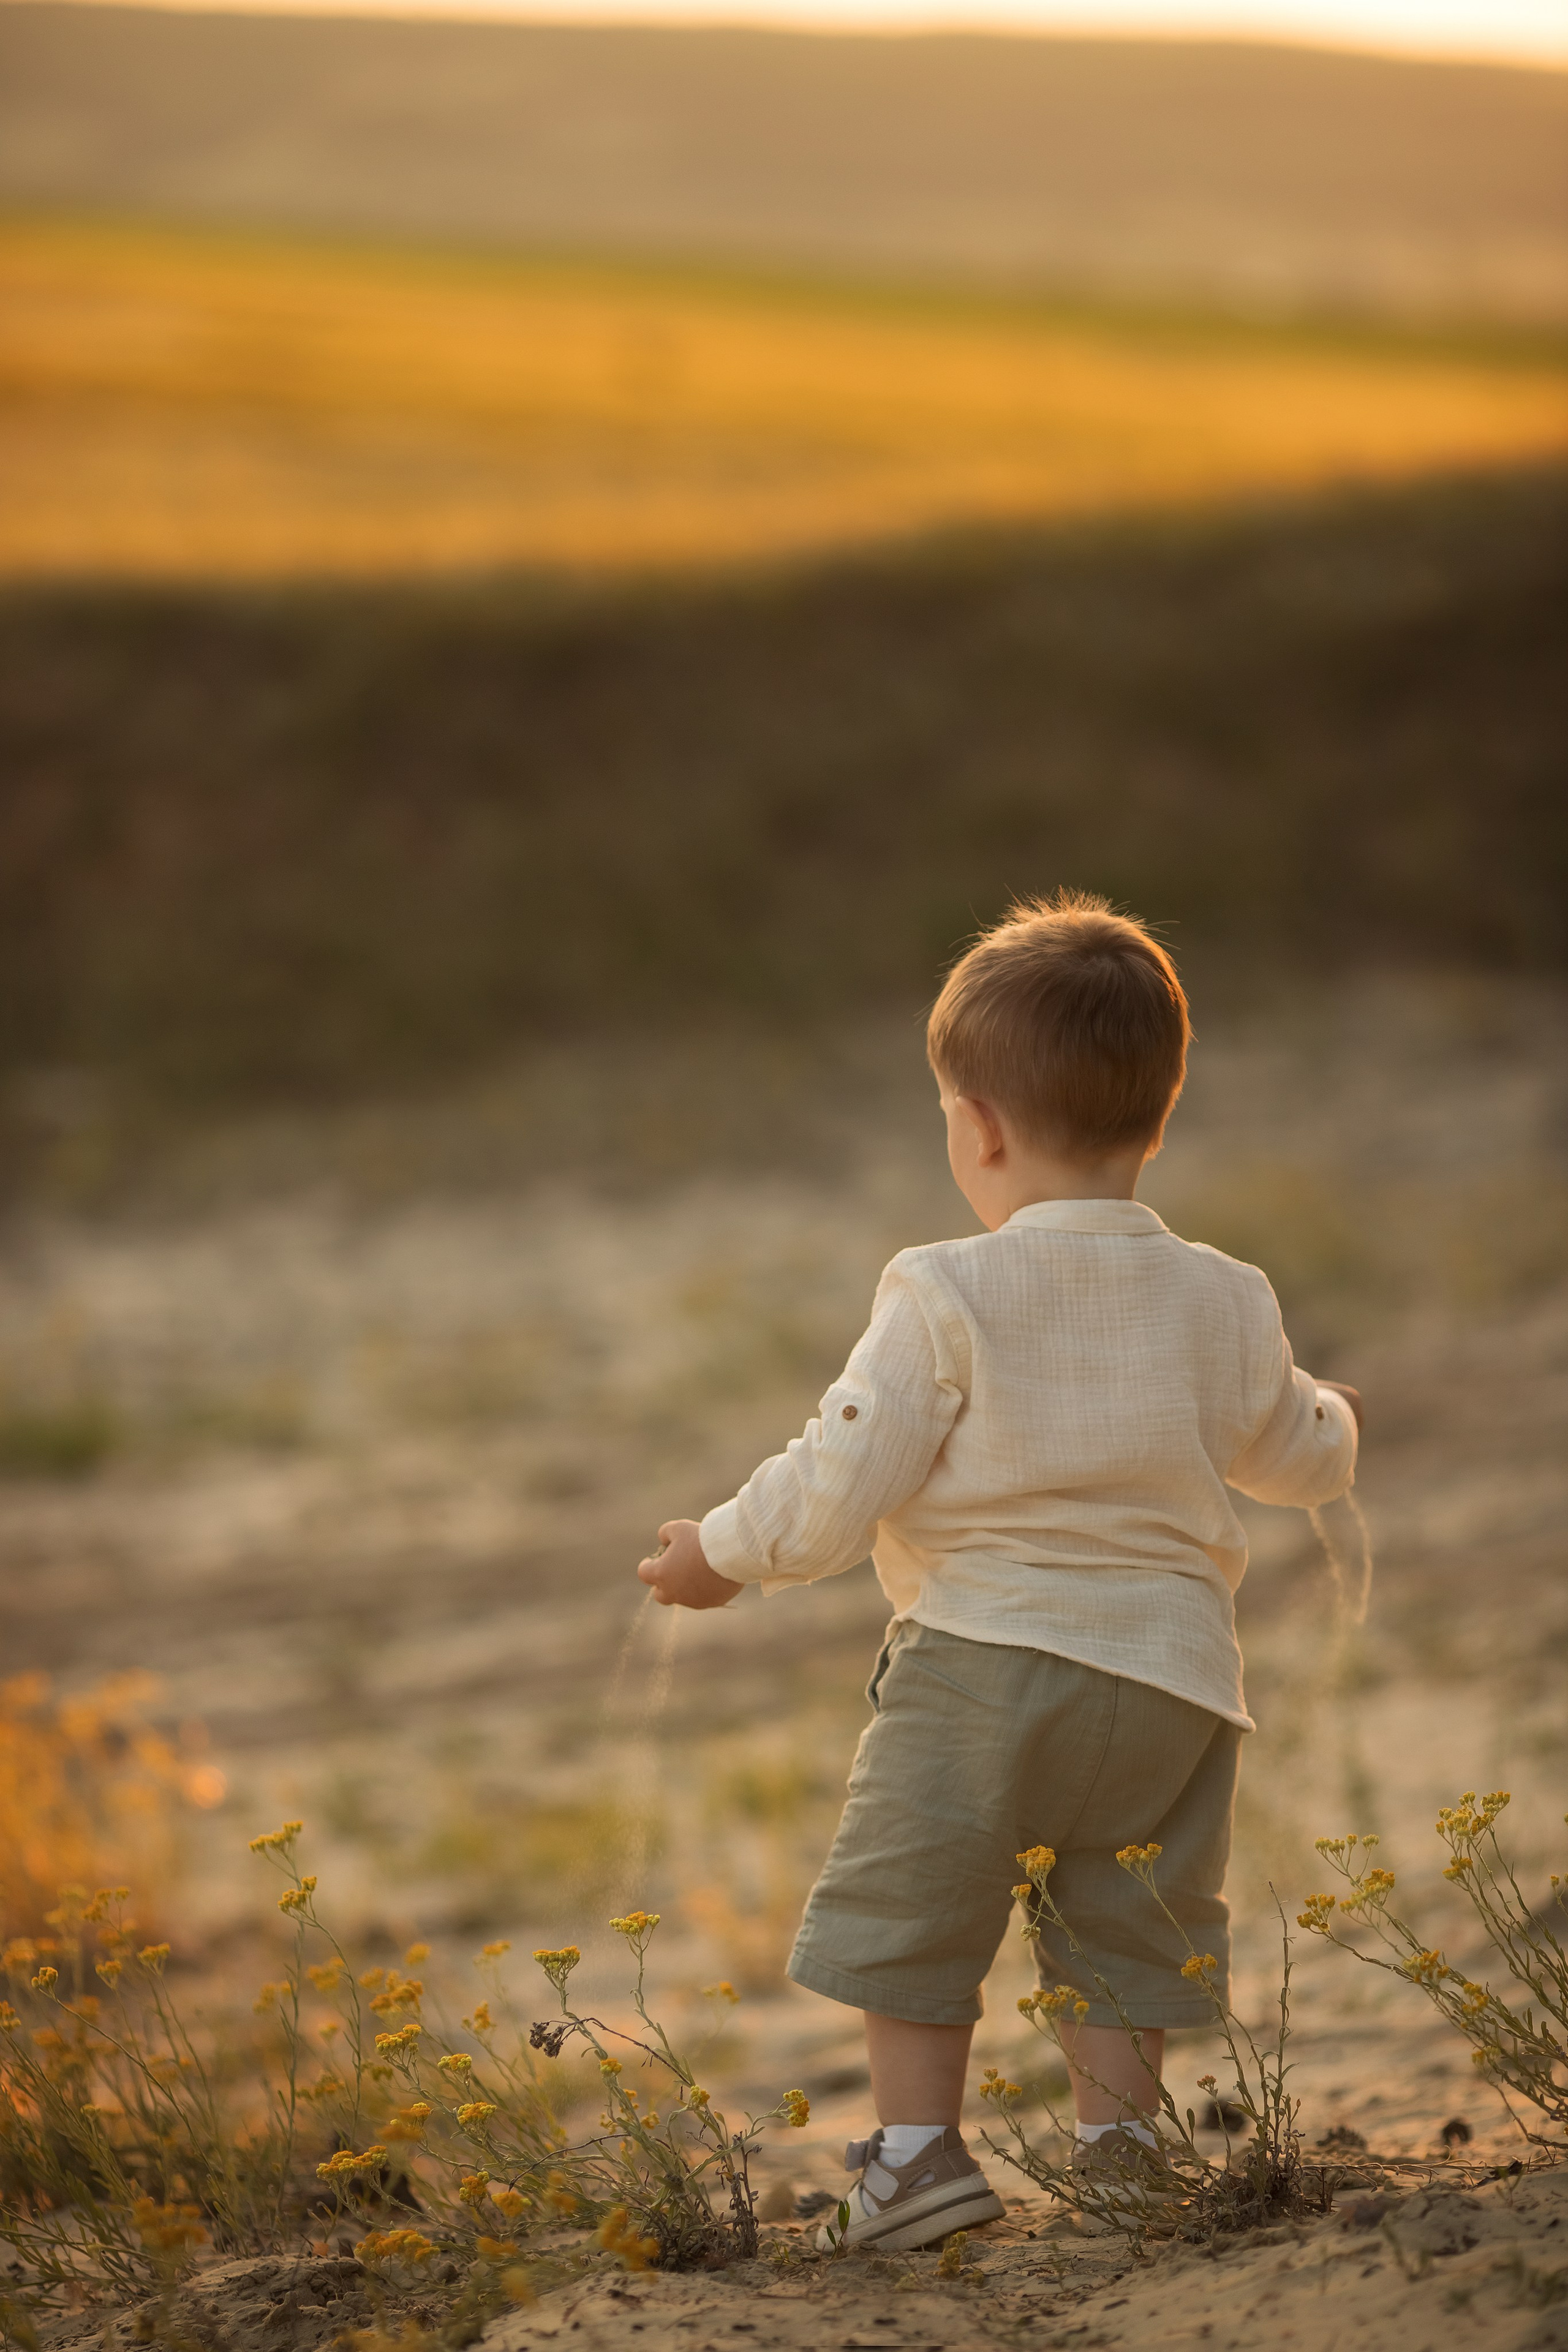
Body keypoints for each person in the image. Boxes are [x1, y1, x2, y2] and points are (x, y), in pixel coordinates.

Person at [638, 891, 1362, 2253]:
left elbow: (840, 1472)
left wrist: (719, 1554)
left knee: (913, 1904)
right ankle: (1125, 2157)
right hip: (1173, 1685)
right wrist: (1337, 1421)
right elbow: (1293, 1451)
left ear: (974, 1128)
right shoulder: (1227, 1295)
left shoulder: (943, 1290)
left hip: (985, 1663)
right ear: (1156, 1115)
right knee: (1125, 1918)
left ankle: (914, 2161)